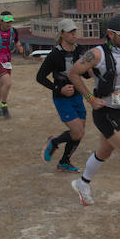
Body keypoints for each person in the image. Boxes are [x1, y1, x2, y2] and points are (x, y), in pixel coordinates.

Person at [67, 15, 120, 218]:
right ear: (111, 34)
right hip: (104, 111)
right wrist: (89, 98)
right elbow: (73, 73)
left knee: (104, 152)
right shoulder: (96, 54)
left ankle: (82, 183)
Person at [36, 19, 90, 173]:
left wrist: (91, 71)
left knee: (79, 133)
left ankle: (64, 162)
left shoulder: (80, 50)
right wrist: (59, 89)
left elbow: (85, 74)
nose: (74, 34)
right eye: (70, 31)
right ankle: (54, 142)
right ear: (61, 34)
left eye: (74, 31)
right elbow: (40, 77)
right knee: (77, 131)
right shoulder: (55, 55)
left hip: (77, 96)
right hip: (62, 99)